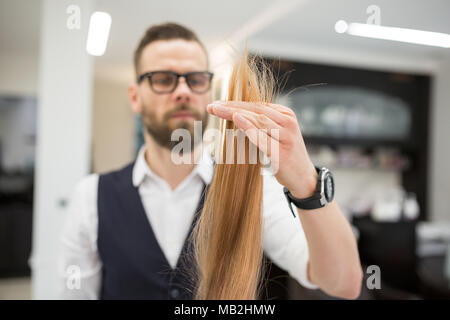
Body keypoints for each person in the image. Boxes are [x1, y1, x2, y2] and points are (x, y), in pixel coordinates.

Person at [59, 22, 362, 300]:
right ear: (135, 96)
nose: (182, 91)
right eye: (163, 79)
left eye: (195, 79)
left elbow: (343, 283)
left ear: (208, 90)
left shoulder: (251, 187)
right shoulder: (91, 196)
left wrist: (307, 183)